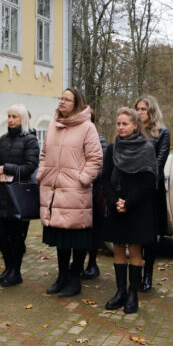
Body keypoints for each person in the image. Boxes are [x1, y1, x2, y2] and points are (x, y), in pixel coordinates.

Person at [37, 88, 103, 298]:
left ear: (76, 104)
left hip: (76, 193)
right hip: (54, 191)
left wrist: (82, 179)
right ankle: (62, 276)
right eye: (61, 98)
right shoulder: (53, 125)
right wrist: (42, 173)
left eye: (67, 99)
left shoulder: (87, 127)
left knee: (77, 239)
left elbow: (95, 158)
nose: (62, 102)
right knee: (60, 238)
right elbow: (44, 153)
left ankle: (75, 279)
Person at [102, 107, 158, 314]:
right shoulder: (112, 148)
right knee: (118, 248)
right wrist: (116, 201)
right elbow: (105, 178)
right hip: (117, 206)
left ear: (135, 125)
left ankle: (133, 294)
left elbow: (150, 181)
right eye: (118, 124)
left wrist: (129, 202)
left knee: (135, 250)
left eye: (125, 123)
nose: (120, 127)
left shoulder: (146, 149)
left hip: (137, 207)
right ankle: (120, 292)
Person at [0, 104, 40, 287]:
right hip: (1, 193)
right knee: (1, 234)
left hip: (18, 194)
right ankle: (8, 269)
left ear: (22, 119)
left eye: (14, 116)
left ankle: (16, 272)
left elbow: (30, 167)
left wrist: (7, 168)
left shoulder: (30, 140)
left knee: (16, 237)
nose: (10, 120)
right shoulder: (3, 139)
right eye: (9, 116)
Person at [135, 94, 171, 292]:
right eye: (138, 109)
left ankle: (148, 274)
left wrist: (145, 183)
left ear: (152, 111)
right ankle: (136, 273)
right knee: (136, 235)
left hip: (151, 190)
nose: (140, 112)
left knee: (149, 236)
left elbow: (159, 162)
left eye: (143, 109)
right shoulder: (134, 131)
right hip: (134, 190)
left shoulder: (162, 132)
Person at [79, 110, 108, 282]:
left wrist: (85, 176)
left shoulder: (99, 139)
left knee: (93, 232)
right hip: (77, 193)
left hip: (94, 192)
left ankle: (92, 264)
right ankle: (79, 263)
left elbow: (101, 167)